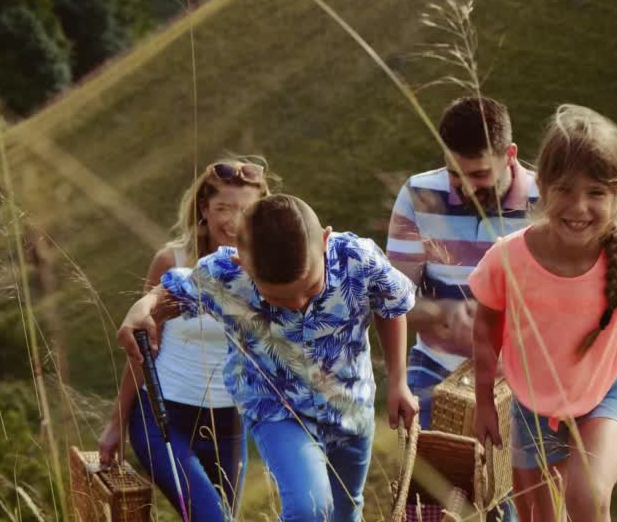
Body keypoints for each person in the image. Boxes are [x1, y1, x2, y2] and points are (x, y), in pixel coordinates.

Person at [117, 193, 418, 522]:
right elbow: (171, 292)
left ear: (325, 241)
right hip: (277, 409)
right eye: (276, 298)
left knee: (346, 508)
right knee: (310, 510)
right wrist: (142, 309)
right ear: (241, 263)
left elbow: (392, 307)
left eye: (311, 288)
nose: (296, 303)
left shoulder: (356, 258)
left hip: (350, 405)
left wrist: (398, 381)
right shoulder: (225, 274)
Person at [470, 104, 617, 522]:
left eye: (596, 193)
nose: (579, 207)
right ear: (540, 185)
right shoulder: (507, 260)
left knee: (587, 497)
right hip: (530, 407)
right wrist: (484, 401)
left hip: (604, 398)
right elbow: (486, 324)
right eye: (565, 190)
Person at [99, 158, 272, 521]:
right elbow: (142, 347)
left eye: (244, 210)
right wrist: (117, 423)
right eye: (222, 207)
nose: (232, 220)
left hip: (229, 423)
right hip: (163, 418)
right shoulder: (173, 259)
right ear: (203, 210)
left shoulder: (270, 267)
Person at [386, 95, 538, 429]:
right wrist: (445, 313)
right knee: (427, 478)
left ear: (510, 154)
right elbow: (392, 303)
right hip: (437, 370)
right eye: (456, 174)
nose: (467, 189)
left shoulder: (548, 203)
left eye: (480, 175)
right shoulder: (418, 195)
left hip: (526, 377)